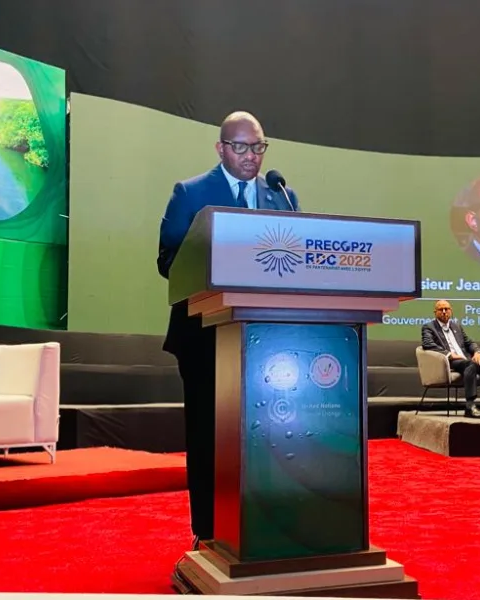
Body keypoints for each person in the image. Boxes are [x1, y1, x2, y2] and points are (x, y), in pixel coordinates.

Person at [157, 111, 300, 548]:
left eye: (258, 147)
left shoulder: (282, 197)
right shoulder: (191, 193)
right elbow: (167, 261)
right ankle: (208, 531)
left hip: (267, 337)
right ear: (221, 148)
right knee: (208, 435)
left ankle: (266, 523)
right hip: (205, 333)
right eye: (241, 147)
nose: (251, 156)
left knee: (269, 434)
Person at [421, 300, 480, 419]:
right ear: (435, 312)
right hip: (450, 362)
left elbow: (469, 342)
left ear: (451, 311)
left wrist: (477, 352)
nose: (444, 312)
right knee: (471, 364)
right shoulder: (429, 327)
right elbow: (428, 344)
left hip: (466, 360)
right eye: (441, 309)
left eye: (447, 309)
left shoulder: (456, 326)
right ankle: (470, 406)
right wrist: (450, 354)